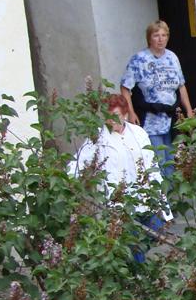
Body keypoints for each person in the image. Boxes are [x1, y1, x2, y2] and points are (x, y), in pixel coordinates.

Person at [71, 94, 172, 262]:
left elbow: (152, 167)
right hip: (121, 205)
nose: (112, 121)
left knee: (155, 234)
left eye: (116, 116)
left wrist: (163, 205)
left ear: (125, 114)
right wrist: (69, 182)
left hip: (146, 199)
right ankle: (139, 277)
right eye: (108, 117)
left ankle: (137, 270)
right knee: (133, 246)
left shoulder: (138, 133)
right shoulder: (99, 138)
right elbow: (77, 164)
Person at [120, 20, 194, 179]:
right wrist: (130, 113)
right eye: (156, 35)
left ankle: (171, 197)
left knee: (172, 159)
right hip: (151, 117)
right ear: (149, 38)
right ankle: (162, 199)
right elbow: (125, 87)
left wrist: (188, 111)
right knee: (157, 160)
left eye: (164, 35)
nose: (160, 39)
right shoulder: (139, 59)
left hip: (171, 117)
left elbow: (181, 86)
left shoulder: (172, 57)